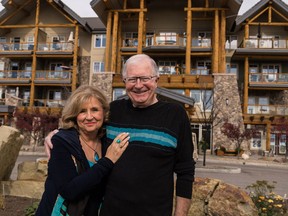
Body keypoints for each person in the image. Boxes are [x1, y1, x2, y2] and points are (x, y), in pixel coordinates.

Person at [45, 54, 195, 216]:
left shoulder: (176, 115)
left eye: (145, 78)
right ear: (124, 82)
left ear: (156, 80)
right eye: (132, 79)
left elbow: (185, 171)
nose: (138, 85)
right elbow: (85, 126)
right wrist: (57, 134)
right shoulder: (113, 111)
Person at [36, 85, 130, 215]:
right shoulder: (62, 142)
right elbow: (69, 190)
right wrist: (108, 160)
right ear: (74, 115)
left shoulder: (106, 140)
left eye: (95, 110)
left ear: (104, 112)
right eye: (82, 111)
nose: (89, 117)